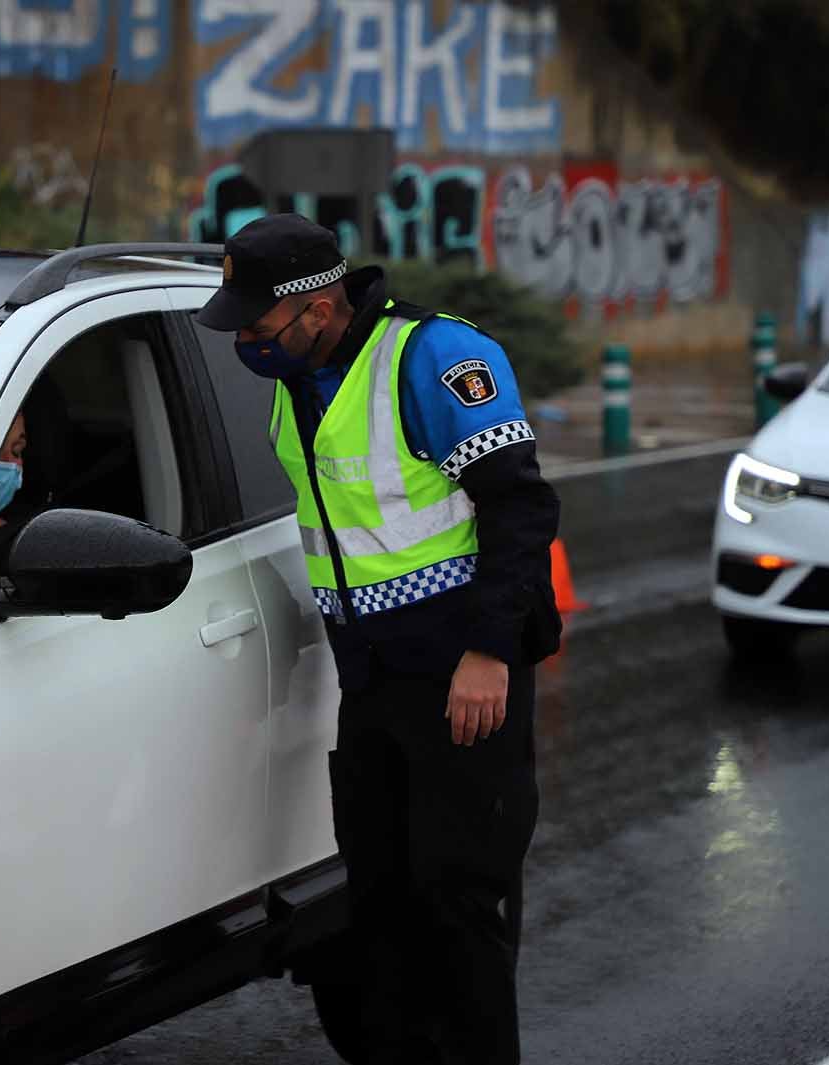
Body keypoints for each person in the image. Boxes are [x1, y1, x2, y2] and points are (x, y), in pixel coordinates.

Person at [197, 214, 561, 1065]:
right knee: (382, 911)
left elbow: (520, 508)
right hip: (371, 681)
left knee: (461, 909)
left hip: (461, 677)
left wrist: (489, 652)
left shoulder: (430, 358)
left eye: (256, 323)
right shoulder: (300, 380)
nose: (246, 341)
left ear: (317, 308)